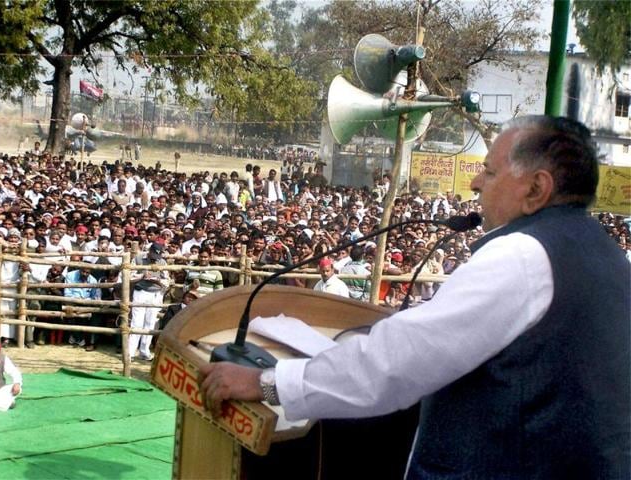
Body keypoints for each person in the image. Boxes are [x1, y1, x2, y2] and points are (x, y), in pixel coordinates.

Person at [197, 116, 630, 478]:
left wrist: (268, 383)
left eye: (491, 171)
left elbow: (396, 363)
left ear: (536, 189)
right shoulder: (604, 254)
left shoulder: (523, 255)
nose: (476, 182)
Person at [129, 241, 169, 361]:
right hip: (141, 291)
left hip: (156, 294)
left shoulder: (162, 262)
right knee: (137, 323)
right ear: (150, 251)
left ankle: (144, 352)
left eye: (158, 256)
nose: (155, 258)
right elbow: (129, 275)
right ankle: (130, 352)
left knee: (150, 323)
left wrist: (158, 281)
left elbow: (167, 280)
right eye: (154, 255)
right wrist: (142, 276)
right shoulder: (138, 258)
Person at [0, 339, 22, 411]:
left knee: (17, 389)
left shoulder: (2, 359)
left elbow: (14, 372)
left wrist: (17, 383)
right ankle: (6, 402)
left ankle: (3, 402)